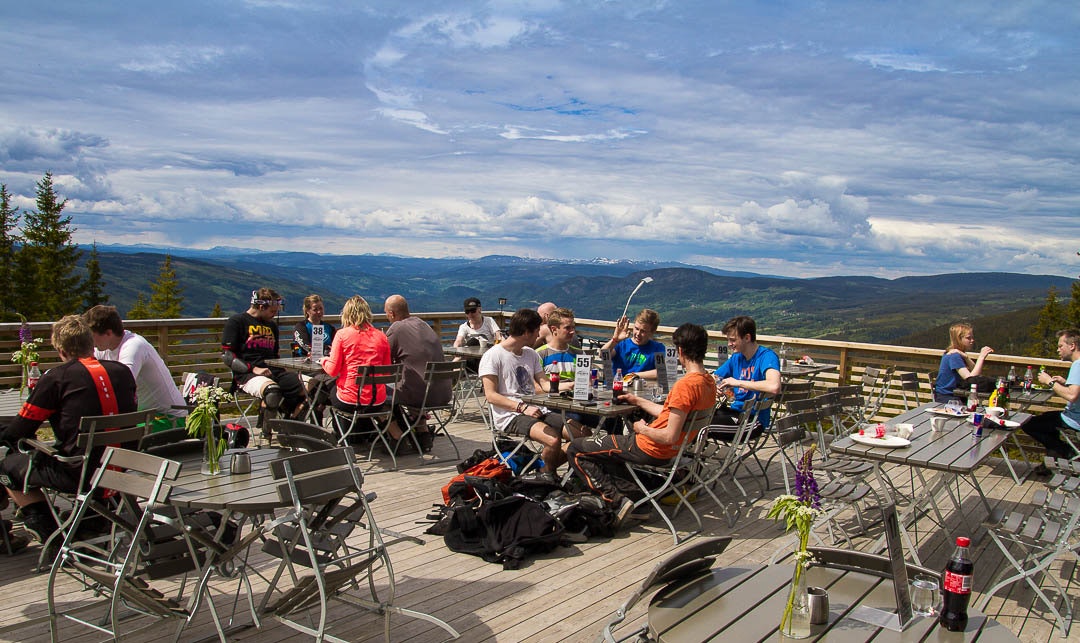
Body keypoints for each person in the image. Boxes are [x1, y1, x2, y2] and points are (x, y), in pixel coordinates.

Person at [0, 315, 138, 547]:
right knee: (91, 451)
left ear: (60, 348)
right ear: (90, 342)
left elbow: (20, 430)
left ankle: (48, 531)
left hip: (78, 472)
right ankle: (91, 521)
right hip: (122, 465)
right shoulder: (122, 372)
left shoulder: (57, 378)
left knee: (7, 466)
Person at [567, 323, 717, 527]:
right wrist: (637, 401)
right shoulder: (707, 382)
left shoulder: (685, 386)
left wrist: (642, 428)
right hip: (675, 450)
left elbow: (669, 435)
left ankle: (617, 501)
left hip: (651, 447)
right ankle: (638, 502)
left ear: (680, 351)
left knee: (576, 449)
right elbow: (670, 416)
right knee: (607, 450)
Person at [479, 308, 589, 476]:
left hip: (537, 409)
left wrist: (573, 384)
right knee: (553, 440)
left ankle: (545, 468)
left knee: (583, 435)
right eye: (537, 331)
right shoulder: (493, 356)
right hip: (510, 415)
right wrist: (522, 408)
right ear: (526, 332)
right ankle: (548, 475)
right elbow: (491, 396)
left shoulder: (530, 354)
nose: (539, 335)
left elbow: (545, 384)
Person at [83, 305, 187, 432]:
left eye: (92, 336)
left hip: (169, 419)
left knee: (112, 432)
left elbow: (123, 386)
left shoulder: (134, 346)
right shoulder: (106, 347)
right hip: (146, 417)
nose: (91, 342)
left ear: (108, 333)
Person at [222, 288, 306, 425]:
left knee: (314, 388)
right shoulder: (237, 321)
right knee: (272, 391)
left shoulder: (272, 326)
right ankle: (266, 433)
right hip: (248, 374)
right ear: (261, 307)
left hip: (274, 371)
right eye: (272, 311)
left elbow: (275, 353)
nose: (274, 314)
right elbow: (227, 356)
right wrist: (253, 368)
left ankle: (292, 424)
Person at [319, 295, 392, 442]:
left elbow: (333, 370)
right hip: (377, 400)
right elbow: (387, 371)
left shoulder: (342, 335)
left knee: (324, 389)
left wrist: (323, 360)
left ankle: (337, 434)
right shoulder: (381, 336)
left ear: (346, 314)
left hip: (350, 400)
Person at [383, 294, 444, 451]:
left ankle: (396, 436)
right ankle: (422, 433)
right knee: (413, 379)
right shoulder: (423, 324)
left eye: (386, 314)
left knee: (379, 390)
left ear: (391, 313)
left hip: (420, 395)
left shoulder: (396, 328)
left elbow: (383, 359)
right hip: (443, 393)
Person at [711, 315, 783, 434]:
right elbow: (714, 376)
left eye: (733, 340)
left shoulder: (767, 356)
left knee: (699, 428)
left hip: (754, 420)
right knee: (693, 420)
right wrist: (715, 386)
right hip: (736, 412)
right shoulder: (736, 357)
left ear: (747, 338)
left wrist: (738, 383)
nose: (729, 344)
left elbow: (774, 386)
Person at [1023, 330, 1080, 475]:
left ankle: (1064, 453)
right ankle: (1053, 461)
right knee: (1046, 423)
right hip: (1073, 415)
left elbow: (1072, 396)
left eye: (1061, 346)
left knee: (1029, 424)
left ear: (1072, 346)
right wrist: (1066, 382)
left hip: (1074, 419)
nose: (1058, 349)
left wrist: (1049, 382)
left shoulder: (1077, 365)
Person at [536, 307, 597, 429]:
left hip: (579, 402)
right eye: (567, 328)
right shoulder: (539, 355)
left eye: (573, 327)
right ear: (554, 329)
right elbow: (537, 389)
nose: (572, 332)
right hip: (553, 404)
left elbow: (589, 382)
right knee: (576, 419)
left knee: (612, 420)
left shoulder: (580, 354)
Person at [934, 323, 994, 403]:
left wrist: (966, 357)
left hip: (954, 394)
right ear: (958, 339)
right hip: (948, 397)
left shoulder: (958, 353)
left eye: (972, 337)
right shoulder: (954, 356)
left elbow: (976, 373)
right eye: (968, 338)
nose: (972, 340)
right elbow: (971, 381)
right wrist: (981, 357)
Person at [603, 309, 665, 380]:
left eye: (643, 331)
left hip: (641, 388)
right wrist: (615, 340)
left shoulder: (657, 348)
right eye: (636, 328)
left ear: (652, 332)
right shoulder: (622, 344)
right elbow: (603, 355)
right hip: (618, 386)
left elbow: (661, 371)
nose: (638, 334)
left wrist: (634, 375)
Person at [293, 294, 336, 359]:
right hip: (306, 362)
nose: (319, 312)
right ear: (307, 311)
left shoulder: (329, 327)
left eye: (321, 308)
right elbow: (305, 345)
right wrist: (326, 348)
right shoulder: (301, 327)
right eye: (315, 309)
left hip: (328, 362)